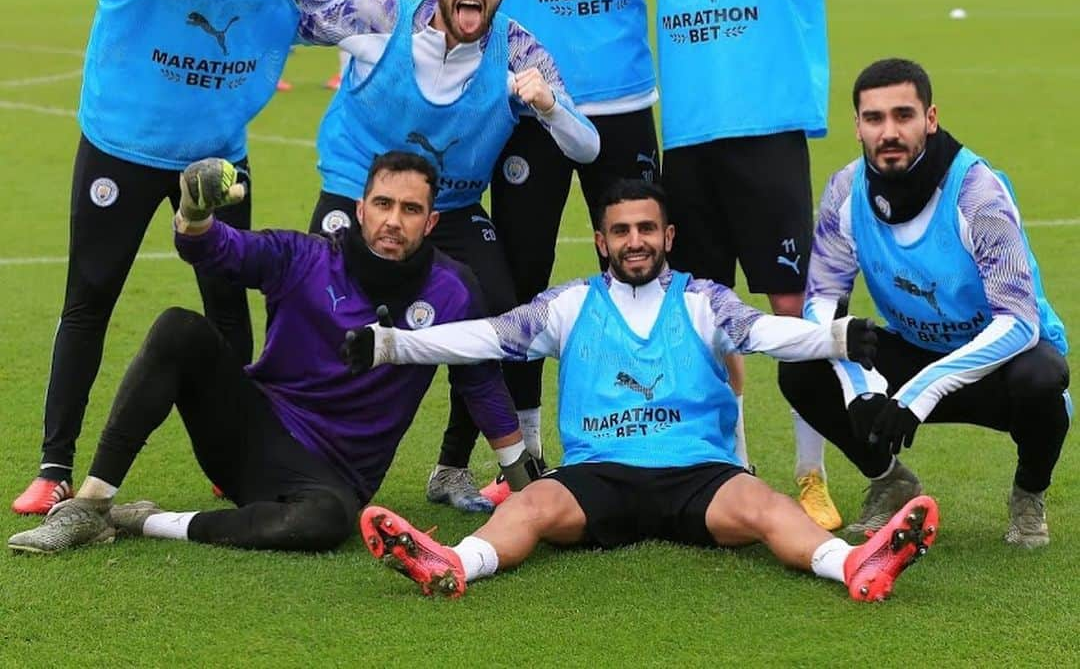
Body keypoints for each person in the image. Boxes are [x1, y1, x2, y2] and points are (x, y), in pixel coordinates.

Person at [2, 0, 383, 515]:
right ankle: (54, 468)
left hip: (215, 162)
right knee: (89, 300)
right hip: (121, 149)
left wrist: (427, 15)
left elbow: (337, 17)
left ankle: (239, 463)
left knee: (229, 312)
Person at [344, 180, 938, 603]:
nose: (635, 241)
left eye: (647, 229)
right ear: (601, 240)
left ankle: (858, 566)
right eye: (621, 230)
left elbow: (762, 331)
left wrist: (834, 337)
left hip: (699, 473)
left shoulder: (705, 299)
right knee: (530, 505)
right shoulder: (568, 305)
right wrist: (394, 344)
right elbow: (486, 337)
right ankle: (451, 564)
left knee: (766, 507)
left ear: (668, 235)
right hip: (599, 473)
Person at [370, 0, 681, 499]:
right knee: (516, 285)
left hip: (624, 112)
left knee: (646, 273)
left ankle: (669, 439)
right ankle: (501, 456)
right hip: (527, 112)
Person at [8, 152, 531, 556]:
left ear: (431, 223)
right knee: (179, 328)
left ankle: (139, 521)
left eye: (410, 209)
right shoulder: (306, 256)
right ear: (360, 209)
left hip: (335, 479)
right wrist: (193, 212)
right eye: (383, 204)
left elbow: (479, 384)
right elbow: (217, 249)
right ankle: (92, 506)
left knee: (329, 523)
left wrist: (524, 485)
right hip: (251, 436)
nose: (394, 221)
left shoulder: (454, 290)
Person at [646, 0, 885, 529]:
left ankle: (812, 478)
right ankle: (734, 471)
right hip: (686, 143)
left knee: (791, 310)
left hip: (765, 137)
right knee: (708, 314)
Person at [311, 0, 599, 513]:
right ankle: (308, 451)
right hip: (356, 194)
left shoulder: (518, 49)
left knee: (495, 313)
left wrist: (548, 106)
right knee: (320, 308)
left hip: (452, 206)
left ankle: (451, 467)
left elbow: (586, 145)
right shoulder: (383, 16)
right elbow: (292, 20)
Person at [777, 58, 1070, 547]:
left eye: (903, 115)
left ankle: (1028, 494)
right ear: (857, 126)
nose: (888, 131)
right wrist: (860, 387)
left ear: (930, 119)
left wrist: (920, 393)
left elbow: (1019, 324)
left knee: (1044, 376)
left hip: (999, 361)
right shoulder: (845, 191)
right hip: (912, 351)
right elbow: (822, 301)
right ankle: (890, 479)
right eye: (874, 118)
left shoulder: (977, 193)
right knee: (801, 366)